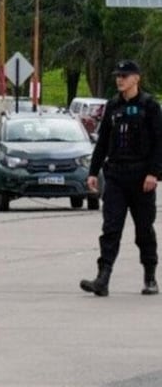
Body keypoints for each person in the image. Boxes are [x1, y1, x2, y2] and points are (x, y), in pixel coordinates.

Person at [80, 60, 162, 297]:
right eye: (118, 75)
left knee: (144, 229)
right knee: (111, 228)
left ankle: (150, 277)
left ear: (137, 78)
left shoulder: (149, 106)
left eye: (125, 76)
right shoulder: (113, 107)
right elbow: (103, 141)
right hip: (116, 175)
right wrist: (93, 172)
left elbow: (159, 143)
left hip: (141, 177)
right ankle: (102, 278)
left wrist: (153, 173)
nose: (120, 80)